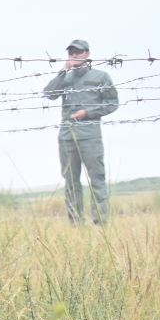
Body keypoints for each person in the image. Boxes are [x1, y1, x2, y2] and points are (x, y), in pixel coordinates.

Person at [43, 39, 118, 225]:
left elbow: (112, 103)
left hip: (90, 136)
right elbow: (50, 94)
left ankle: (100, 224)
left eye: (78, 52)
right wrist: (62, 71)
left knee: (97, 180)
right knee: (70, 182)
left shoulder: (101, 77)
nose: (74, 56)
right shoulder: (65, 78)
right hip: (67, 137)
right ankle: (76, 225)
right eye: (71, 53)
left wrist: (88, 113)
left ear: (87, 54)